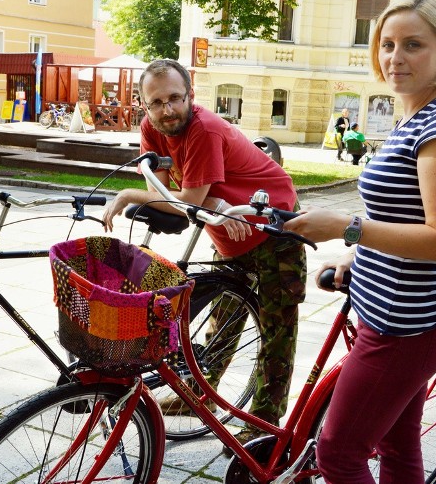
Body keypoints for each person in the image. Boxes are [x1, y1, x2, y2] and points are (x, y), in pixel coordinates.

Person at [284, 0, 436, 483]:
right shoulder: (417, 115)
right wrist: (357, 258)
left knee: (337, 452)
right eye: (387, 44)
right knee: (397, 442)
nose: (395, 57)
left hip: (405, 326)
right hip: (391, 308)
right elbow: (402, 212)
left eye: (413, 45)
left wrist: (346, 228)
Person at [102, 59, 307, 451]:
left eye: (175, 98)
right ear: (143, 104)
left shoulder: (204, 130)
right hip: (228, 227)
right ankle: (196, 395)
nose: (167, 109)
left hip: (272, 225)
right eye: (156, 101)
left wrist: (130, 194)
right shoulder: (153, 128)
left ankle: (264, 421)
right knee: (224, 317)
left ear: (190, 96)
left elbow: (183, 201)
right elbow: (167, 195)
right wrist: (203, 200)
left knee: (276, 328)